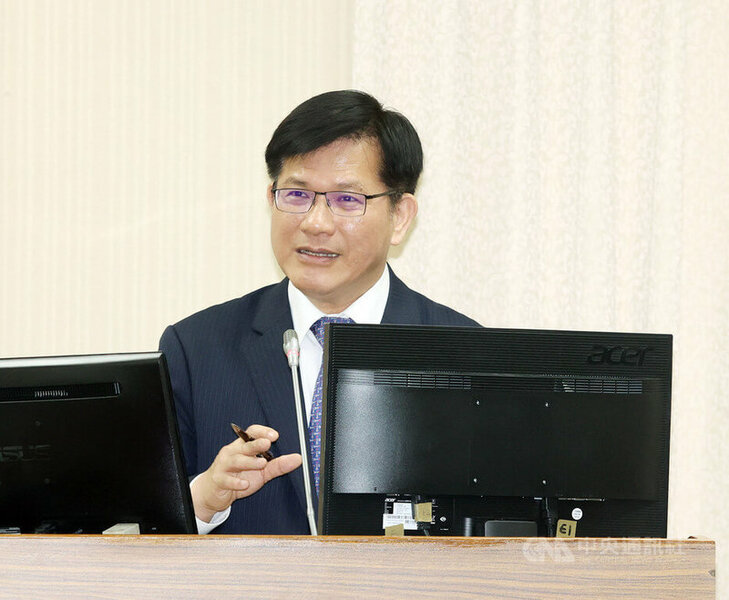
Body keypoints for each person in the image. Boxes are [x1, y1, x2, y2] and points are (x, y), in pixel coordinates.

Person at [159, 90, 479, 534]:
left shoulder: (466, 354)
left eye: (347, 200)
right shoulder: (196, 349)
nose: (315, 223)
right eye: (296, 194)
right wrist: (204, 500)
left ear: (400, 216)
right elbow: (144, 536)